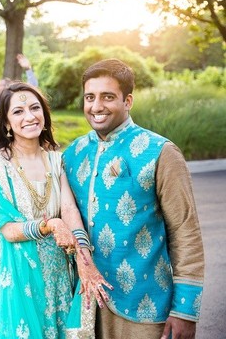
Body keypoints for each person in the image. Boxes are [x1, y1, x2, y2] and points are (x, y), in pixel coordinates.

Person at [62, 59, 205, 339]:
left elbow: (185, 232)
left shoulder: (160, 152)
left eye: (108, 97)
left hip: (146, 306)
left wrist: (185, 311)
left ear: (128, 101)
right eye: (90, 97)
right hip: (86, 304)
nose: (96, 106)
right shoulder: (73, 153)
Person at [0, 81, 110, 338]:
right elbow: (9, 231)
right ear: (6, 124)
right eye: (18, 112)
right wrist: (49, 225)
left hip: (57, 272)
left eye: (35, 108)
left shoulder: (55, 160)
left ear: (44, 116)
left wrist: (83, 256)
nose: (29, 116)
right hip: (18, 273)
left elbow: (68, 209)